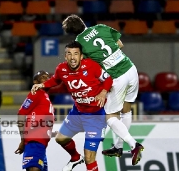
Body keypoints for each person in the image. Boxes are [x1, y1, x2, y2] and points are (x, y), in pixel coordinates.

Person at [61, 14, 144, 166]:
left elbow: (87, 65)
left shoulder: (79, 43)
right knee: (126, 110)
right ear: (82, 22)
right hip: (131, 69)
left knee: (110, 117)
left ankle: (134, 145)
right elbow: (120, 44)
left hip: (117, 77)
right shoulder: (100, 27)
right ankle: (118, 147)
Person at [31, 41, 113, 171]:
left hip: (95, 116)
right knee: (60, 139)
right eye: (69, 54)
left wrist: (103, 92)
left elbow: (108, 79)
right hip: (77, 113)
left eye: (76, 54)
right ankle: (75, 158)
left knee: (89, 158)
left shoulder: (92, 66)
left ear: (81, 56)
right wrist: (42, 85)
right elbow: (55, 80)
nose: (72, 57)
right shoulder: (61, 69)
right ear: (65, 56)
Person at [15, 70, 55, 171]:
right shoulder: (36, 93)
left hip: (41, 145)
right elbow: (21, 114)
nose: (47, 79)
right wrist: (23, 139)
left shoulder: (45, 97)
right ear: (35, 83)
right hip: (34, 142)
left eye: (48, 77)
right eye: (43, 77)